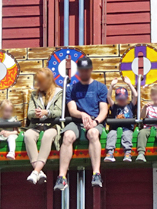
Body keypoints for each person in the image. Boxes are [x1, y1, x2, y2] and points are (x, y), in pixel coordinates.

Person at [55, 57, 108, 190]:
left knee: (93, 133)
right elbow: (72, 110)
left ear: (91, 70)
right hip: (77, 122)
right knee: (67, 136)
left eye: (86, 70)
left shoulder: (100, 87)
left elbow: (104, 110)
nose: (84, 73)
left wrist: (95, 121)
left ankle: (96, 173)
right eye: (81, 70)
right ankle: (62, 177)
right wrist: (82, 114)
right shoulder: (71, 89)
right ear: (77, 71)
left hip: (95, 121)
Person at [24, 68, 63, 184]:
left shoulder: (59, 93)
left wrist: (47, 112)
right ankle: (38, 171)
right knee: (28, 135)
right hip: (36, 124)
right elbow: (29, 113)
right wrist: (36, 113)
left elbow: (60, 111)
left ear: (47, 81)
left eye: (40, 82)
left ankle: (35, 171)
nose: (38, 84)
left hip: (52, 125)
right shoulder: (34, 95)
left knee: (47, 135)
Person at [104, 76, 139, 163]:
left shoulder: (130, 106)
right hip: (115, 128)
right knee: (111, 134)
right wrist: (112, 86)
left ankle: (127, 152)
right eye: (119, 99)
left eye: (123, 99)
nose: (121, 101)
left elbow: (136, 95)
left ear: (127, 98)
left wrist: (129, 84)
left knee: (127, 135)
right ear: (116, 99)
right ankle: (110, 152)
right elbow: (108, 97)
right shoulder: (115, 106)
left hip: (127, 128)